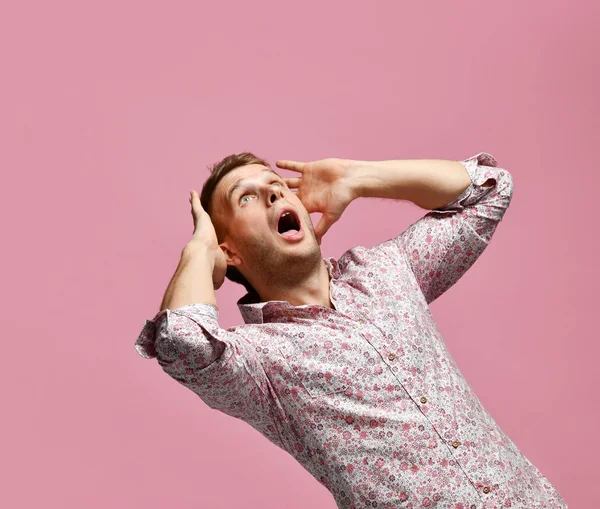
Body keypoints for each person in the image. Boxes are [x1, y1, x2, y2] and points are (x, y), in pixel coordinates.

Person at [135, 151, 568, 509]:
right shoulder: (257, 362)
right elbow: (183, 343)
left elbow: (489, 190)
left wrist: (358, 177)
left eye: (277, 185)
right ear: (228, 251)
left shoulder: (386, 272)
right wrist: (198, 249)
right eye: (245, 199)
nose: (272, 192)